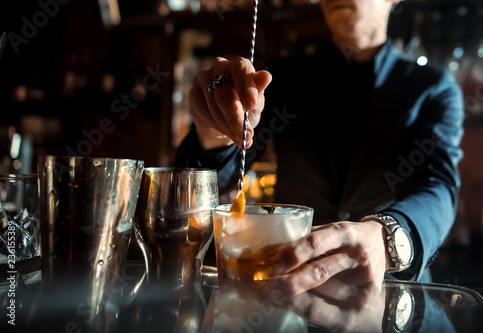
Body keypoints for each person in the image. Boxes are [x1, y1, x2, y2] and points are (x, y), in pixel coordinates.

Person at [176, 0, 464, 295]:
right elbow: (218, 178)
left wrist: (387, 235)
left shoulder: (433, 88)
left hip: (390, 294)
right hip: (287, 289)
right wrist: (213, 132)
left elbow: (438, 186)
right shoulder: (284, 77)